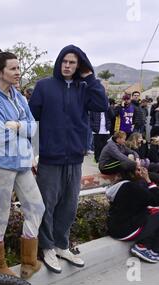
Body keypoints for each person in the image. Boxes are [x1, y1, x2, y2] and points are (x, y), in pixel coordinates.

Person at [29, 45, 108, 273]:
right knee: (47, 204)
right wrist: (33, 153)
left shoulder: (84, 88)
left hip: (74, 157)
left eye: (73, 62)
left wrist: (90, 78)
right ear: (59, 62)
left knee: (69, 205)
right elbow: (32, 120)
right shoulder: (44, 86)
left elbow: (102, 105)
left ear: (79, 65)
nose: (67, 65)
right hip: (49, 157)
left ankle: (61, 244)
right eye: (65, 61)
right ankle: (47, 247)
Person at [0, 48, 45, 279]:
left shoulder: (18, 96)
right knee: (0, 213)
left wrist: (17, 126)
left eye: (19, 68)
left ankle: (28, 261)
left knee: (36, 207)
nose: (18, 72)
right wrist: (22, 128)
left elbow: (32, 126)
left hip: (23, 162)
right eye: (13, 68)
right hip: (2, 163)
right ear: (0, 72)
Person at [106, 166, 159, 263]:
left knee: (150, 214)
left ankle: (144, 245)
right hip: (126, 232)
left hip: (113, 228)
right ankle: (156, 251)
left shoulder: (121, 185)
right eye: (138, 170)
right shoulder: (136, 188)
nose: (142, 171)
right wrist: (148, 180)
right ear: (132, 174)